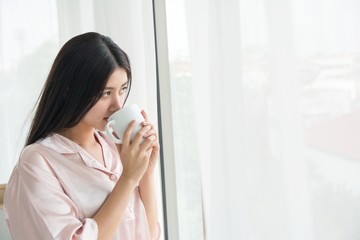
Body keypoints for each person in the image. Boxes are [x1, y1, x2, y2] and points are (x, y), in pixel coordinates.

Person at [4, 32, 160, 240]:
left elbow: (148, 235)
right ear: (69, 91)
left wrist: (146, 173)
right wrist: (129, 179)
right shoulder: (38, 161)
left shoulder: (116, 149)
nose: (118, 105)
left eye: (122, 90)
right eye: (106, 93)